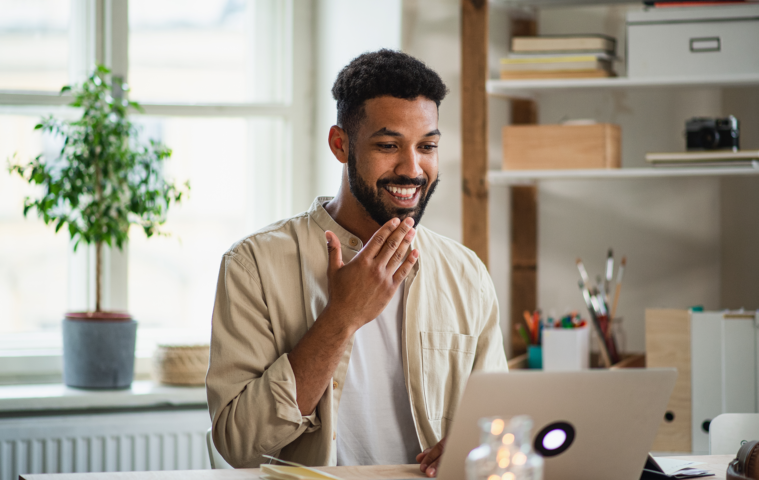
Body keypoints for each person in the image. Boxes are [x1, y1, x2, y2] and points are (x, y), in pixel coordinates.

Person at [206, 49, 508, 477]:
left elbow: (500, 423)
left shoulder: (466, 273)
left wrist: (480, 442)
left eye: (427, 146)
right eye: (388, 145)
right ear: (340, 144)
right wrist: (342, 317)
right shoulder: (253, 264)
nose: (412, 168)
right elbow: (238, 445)